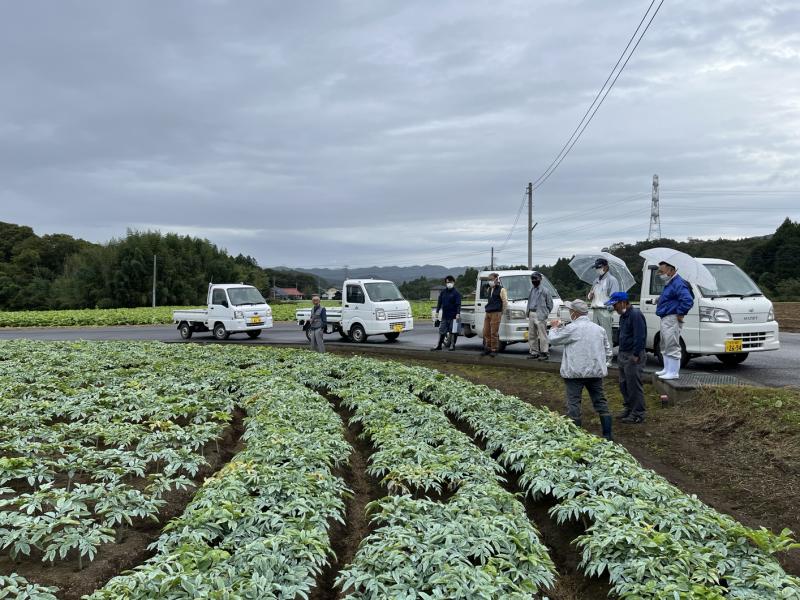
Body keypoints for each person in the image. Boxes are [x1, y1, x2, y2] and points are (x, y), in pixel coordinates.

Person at [547, 299, 613, 440]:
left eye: (570, 310)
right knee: (601, 402)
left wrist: (554, 327)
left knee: (574, 403)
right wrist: (603, 364)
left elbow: (553, 339)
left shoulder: (572, 328)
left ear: (575, 313)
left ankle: (576, 437)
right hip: (595, 373)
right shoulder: (599, 329)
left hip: (574, 373)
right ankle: (608, 435)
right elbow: (608, 351)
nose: (569, 312)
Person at [607, 291, 647, 424]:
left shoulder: (635, 315)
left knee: (634, 385)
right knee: (623, 384)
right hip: (623, 353)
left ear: (623, 303)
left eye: (615, 305)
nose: (614, 308)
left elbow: (640, 336)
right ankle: (629, 408)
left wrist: (636, 355)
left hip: (633, 355)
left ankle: (638, 413)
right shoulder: (623, 315)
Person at [655, 261, 694, 380]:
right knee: (665, 343)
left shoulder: (678, 283)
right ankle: (667, 369)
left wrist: (681, 312)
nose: (660, 274)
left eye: (662, 271)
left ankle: (673, 372)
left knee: (671, 343)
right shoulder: (670, 282)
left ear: (671, 270)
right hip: (666, 317)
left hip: (672, 317)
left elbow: (688, 300)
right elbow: (671, 298)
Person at [587, 258, 620, 351]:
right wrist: (590, 294)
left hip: (605, 311)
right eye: (596, 268)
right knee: (595, 334)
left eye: (599, 267)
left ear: (606, 267)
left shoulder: (612, 280)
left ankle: (608, 356)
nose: (597, 269)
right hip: (595, 310)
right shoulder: (596, 280)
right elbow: (590, 295)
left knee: (606, 334)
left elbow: (615, 297)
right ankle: (597, 355)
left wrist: (608, 307)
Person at [526, 271, 553, 361]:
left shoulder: (545, 290)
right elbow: (529, 302)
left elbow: (550, 304)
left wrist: (545, 313)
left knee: (542, 335)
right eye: (533, 279)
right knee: (531, 334)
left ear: (540, 279)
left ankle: (544, 352)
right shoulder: (531, 290)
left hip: (540, 314)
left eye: (536, 279)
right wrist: (528, 312)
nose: (534, 281)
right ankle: (534, 352)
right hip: (531, 313)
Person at [431, 275, 462, 352]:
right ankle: (439, 345)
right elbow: (439, 302)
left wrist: (458, 313)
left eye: (450, 282)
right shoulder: (443, 292)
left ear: (453, 282)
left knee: (453, 331)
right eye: (447, 282)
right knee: (442, 330)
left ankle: (452, 345)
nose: (449, 284)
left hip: (454, 316)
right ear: (445, 283)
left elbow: (458, 304)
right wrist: (437, 312)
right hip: (445, 315)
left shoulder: (456, 293)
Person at [482, 272, 507, 357]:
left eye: (491, 279)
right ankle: (488, 348)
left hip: (496, 312)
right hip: (488, 312)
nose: (490, 281)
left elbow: (505, 302)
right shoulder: (489, 289)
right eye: (489, 280)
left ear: (496, 279)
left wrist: (501, 312)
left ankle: (494, 349)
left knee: (494, 332)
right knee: (486, 331)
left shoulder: (502, 289)